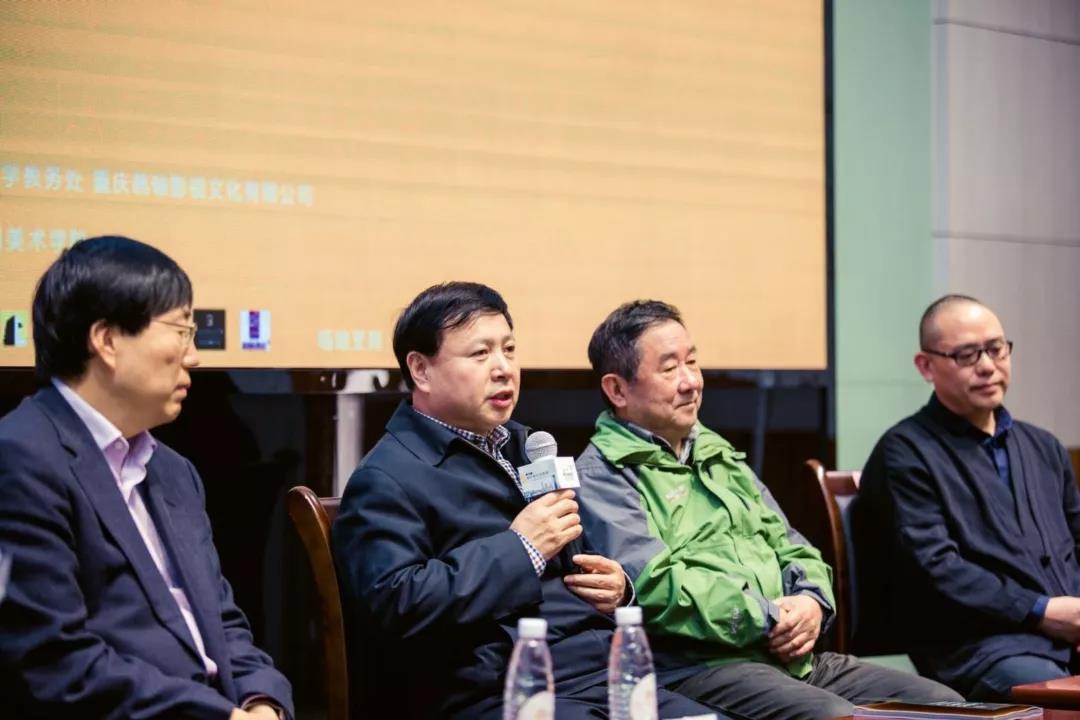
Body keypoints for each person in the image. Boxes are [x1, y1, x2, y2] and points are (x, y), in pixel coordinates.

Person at [331, 282, 723, 719]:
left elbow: (576, 565)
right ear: (421, 370)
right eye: (481, 354)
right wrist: (521, 549)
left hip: (597, 672)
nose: (503, 369)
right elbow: (398, 606)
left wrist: (618, 587)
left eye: (509, 350)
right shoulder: (386, 478)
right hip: (496, 692)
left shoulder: (527, 446)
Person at [576, 299, 961, 720]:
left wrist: (811, 602)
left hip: (791, 659)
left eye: (693, 362)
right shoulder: (603, 475)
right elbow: (654, 586)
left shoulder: (716, 453)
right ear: (617, 390)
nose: (691, 382)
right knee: (832, 717)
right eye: (670, 369)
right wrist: (770, 617)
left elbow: (792, 545)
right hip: (698, 667)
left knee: (946, 706)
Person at [0, 236, 293, 719]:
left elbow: (223, 624)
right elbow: (51, 661)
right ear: (107, 340)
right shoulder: (22, 458)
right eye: (181, 330)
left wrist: (262, 701)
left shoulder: (173, 471)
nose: (194, 356)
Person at [854, 294, 1080, 700]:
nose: (987, 366)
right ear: (926, 366)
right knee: (1055, 696)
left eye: (996, 349)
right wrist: (1040, 611)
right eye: (966, 355)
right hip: (978, 648)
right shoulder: (904, 452)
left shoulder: (1043, 446)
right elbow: (935, 569)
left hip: (1066, 638)